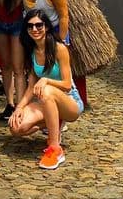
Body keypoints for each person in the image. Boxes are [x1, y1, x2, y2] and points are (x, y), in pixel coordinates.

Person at [9, 9, 84, 170]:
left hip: (69, 101)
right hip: (46, 102)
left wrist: (46, 80)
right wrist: (19, 108)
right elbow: (31, 87)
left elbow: (67, 84)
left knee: (47, 91)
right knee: (16, 127)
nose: (34, 29)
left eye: (39, 25)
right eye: (30, 26)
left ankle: (55, 148)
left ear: (47, 27)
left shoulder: (59, 49)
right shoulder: (32, 52)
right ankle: (53, 123)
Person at [19, 0, 86, 105]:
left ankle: (66, 106)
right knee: (39, 69)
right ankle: (45, 106)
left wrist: (60, 41)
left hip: (54, 31)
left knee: (59, 72)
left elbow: (63, 14)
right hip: (36, 32)